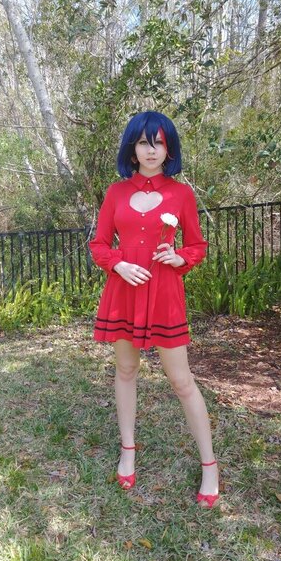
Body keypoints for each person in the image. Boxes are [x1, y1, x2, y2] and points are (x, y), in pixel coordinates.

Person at [89, 111, 219, 508]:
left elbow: (197, 245)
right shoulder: (115, 193)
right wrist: (118, 264)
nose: (151, 150)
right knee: (126, 371)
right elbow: (99, 245)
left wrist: (181, 258)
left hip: (164, 294)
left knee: (182, 381)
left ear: (168, 149)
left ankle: (210, 466)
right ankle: (128, 450)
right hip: (124, 291)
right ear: (133, 149)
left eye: (158, 142)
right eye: (144, 142)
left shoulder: (181, 194)